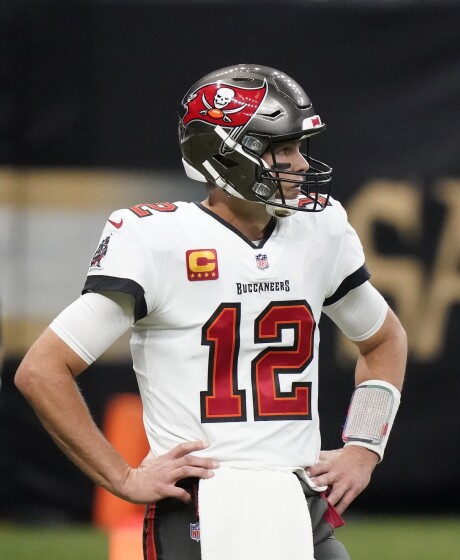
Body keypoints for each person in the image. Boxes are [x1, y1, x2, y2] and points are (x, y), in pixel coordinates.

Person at [15, 64, 407, 560]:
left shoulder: (320, 230)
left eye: (299, 147)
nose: (301, 163)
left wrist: (364, 447)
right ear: (225, 153)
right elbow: (42, 370)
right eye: (282, 148)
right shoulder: (158, 240)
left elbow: (383, 340)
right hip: (200, 503)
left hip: (297, 494)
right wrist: (121, 477)